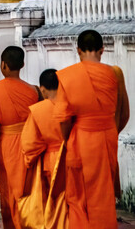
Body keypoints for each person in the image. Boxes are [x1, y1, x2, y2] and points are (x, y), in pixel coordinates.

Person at [53, 30, 129, 228]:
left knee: (79, 193)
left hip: (81, 138)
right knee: (103, 191)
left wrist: (67, 139)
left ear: (78, 50)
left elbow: (63, 118)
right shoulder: (115, 73)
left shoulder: (68, 76)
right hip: (107, 137)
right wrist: (109, 130)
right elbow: (124, 112)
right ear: (102, 50)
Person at [0, 46, 41, 228]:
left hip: (9, 146)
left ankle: (14, 224)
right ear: (22, 64)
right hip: (33, 144)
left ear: (3, 65)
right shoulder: (35, 91)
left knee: (11, 191)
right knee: (30, 188)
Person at [22, 69, 63, 188]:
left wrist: (29, 160)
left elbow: (30, 143)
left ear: (42, 89)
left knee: (54, 199)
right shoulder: (71, 105)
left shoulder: (38, 110)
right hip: (72, 156)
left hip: (51, 160)